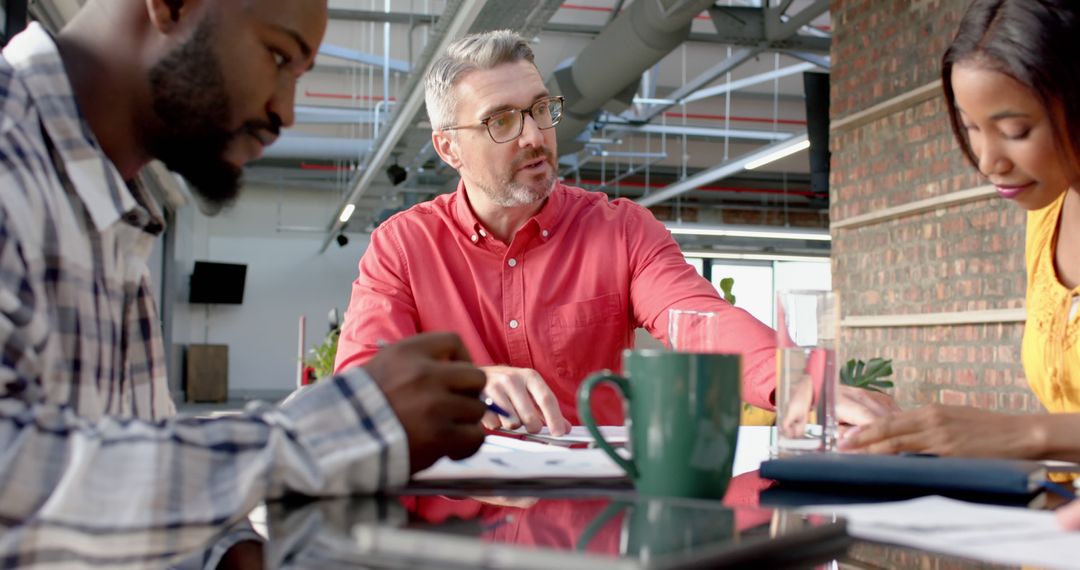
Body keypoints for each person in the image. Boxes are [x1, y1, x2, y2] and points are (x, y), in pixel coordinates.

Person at [0, 0, 488, 556]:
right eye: (279, 55)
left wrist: (228, 550)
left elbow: (137, 478)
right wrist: (334, 431)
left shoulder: (107, 214)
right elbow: (14, 479)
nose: (287, 111)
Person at [334, 30, 898, 435]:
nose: (534, 136)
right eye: (501, 121)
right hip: (456, 507)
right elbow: (361, 380)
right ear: (448, 147)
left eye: (539, 110)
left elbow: (702, 320)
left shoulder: (621, 231)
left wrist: (794, 381)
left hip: (594, 509)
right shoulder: (403, 246)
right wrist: (469, 383)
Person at [838, 0, 1080, 488]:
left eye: (1016, 131)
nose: (989, 161)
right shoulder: (1047, 213)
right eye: (971, 128)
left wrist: (1021, 434)